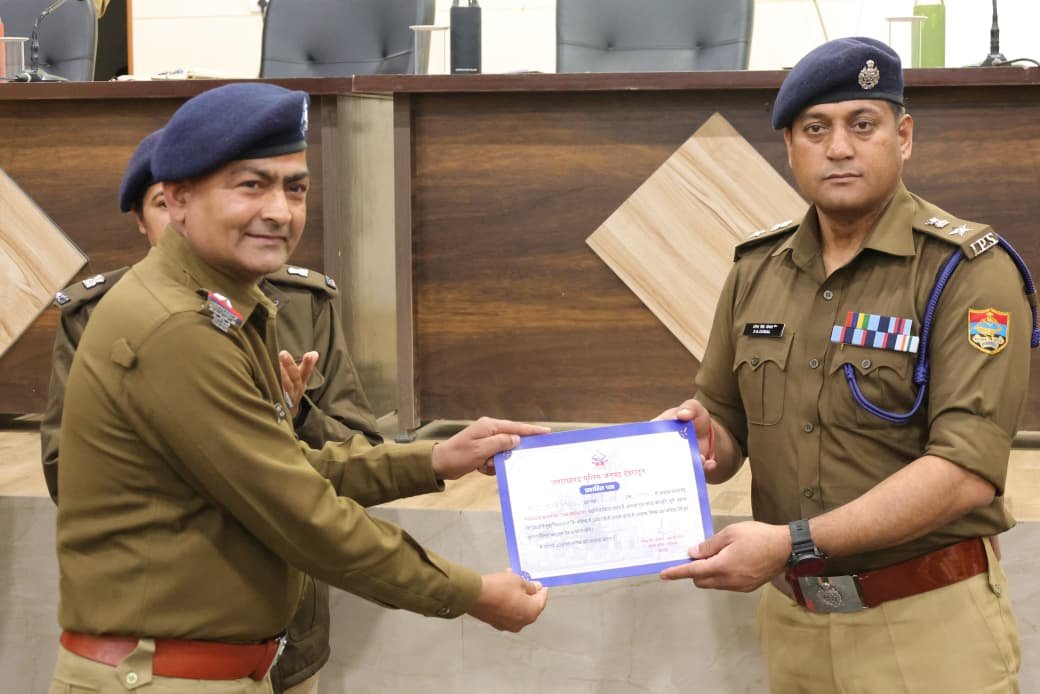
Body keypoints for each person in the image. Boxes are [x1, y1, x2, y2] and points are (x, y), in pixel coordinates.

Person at [49, 82, 549, 694]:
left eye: (295, 188)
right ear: (177, 198)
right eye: (250, 185)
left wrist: (436, 459)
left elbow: (289, 467)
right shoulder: (177, 328)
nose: (280, 212)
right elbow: (304, 515)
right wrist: (471, 594)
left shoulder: (222, 305)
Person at [657, 37, 1035, 692]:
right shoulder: (756, 269)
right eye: (815, 129)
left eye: (862, 125)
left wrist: (792, 543)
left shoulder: (966, 271)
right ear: (789, 146)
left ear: (903, 136)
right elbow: (725, 423)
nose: (838, 148)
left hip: (928, 628)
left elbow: (964, 473)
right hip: (794, 625)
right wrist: (698, 442)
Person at [41, 128, 385, 694]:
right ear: (143, 218)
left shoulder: (302, 305)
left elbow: (361, 449)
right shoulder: (101, 315)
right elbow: (64, 472)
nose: (180, 222)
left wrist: (292, 416)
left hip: (289, 636)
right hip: (168, 639)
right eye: (163, 204)